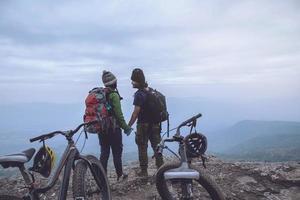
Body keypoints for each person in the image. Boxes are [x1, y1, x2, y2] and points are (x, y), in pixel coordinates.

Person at [128, 68, 164, 177]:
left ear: (137, 81)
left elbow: (136, 113)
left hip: (143, 124)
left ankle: (144, 172)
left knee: (142, 147)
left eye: (133, 80)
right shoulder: (151, 91)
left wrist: (128, 126)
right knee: (157, 146)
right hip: (155, 124)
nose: (132, 83)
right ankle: (161, 168)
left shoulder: (139, 94)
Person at [100, 70, 133, 180]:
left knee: (104, 153)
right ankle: (119, 175)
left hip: (102, 128)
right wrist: (126, 128)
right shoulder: (114, 95)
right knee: (116, 152)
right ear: (114, 83)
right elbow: (119, 115)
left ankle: (102, 179)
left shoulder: (101, 94)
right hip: (114, 129)